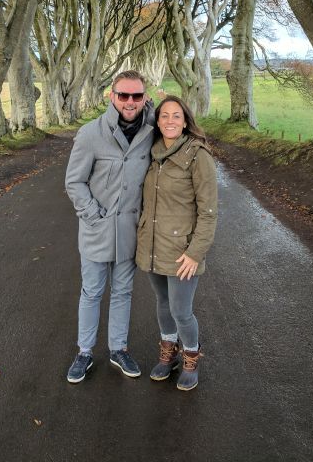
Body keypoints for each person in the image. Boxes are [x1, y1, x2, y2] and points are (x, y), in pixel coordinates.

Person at [64, 70, 155, 383]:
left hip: (130, 231)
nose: (130, 102)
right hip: (96, 230)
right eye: (123, 95)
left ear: (145, 98)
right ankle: (84, 352)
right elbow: (74, 182)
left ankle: (118, 348)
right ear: (112, 96)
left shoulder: (151, 132)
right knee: (92, 292)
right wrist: (93, 215)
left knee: (123, 292)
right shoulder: (90, 133)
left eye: (137, 96)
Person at [135, 95, 218, 391]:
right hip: (153, 246)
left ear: (185, 122)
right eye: (165, 116)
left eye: (176, 116)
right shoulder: (151, 152)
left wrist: (196, 252)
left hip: (183, 252)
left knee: (181, 310)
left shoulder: (198, 155)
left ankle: (191, 357)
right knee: (163, 303)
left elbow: (208, 212)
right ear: (157, 121)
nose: (170, 121)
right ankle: (168, 353)